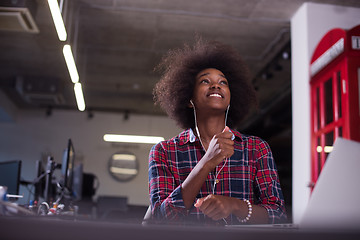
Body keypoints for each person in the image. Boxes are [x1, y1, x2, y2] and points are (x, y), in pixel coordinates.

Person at [148, 38, 287, 225]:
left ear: (231, 98)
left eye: (223, 82)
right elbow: (159, 218)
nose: (216, 85)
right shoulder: (164, 152)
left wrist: (235, 205)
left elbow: (277, 215)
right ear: (189, 99)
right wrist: (206, 163)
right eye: (205, 81)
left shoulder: (256, 148)